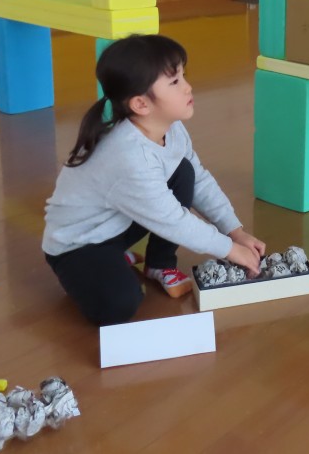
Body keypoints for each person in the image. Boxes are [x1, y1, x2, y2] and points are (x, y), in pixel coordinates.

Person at [42, 34, 265, 327]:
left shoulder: (170, 129)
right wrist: (230, 250)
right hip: (78, 245)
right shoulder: (129, 157)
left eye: (183, 75)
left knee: (184, 171)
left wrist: (235, 232)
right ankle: (102, 266)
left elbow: (199, 181)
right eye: (174, 82)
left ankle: (158, 264)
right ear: (141, 104)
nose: (188, 86)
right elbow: (173, 221)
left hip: (117, 223)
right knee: (121, 304)